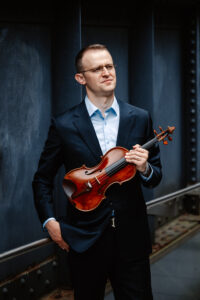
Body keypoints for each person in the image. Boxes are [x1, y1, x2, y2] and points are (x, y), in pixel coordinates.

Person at [32, 44, 162, 300]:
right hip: (84, 240)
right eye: (97, 68)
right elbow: (42, 179)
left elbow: (155, 176)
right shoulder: (64, 124)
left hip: (132, 240)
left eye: (109, 66)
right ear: (81, 78)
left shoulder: (140, 117)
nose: (106, 72)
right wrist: (51, 224)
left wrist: (145, 167)